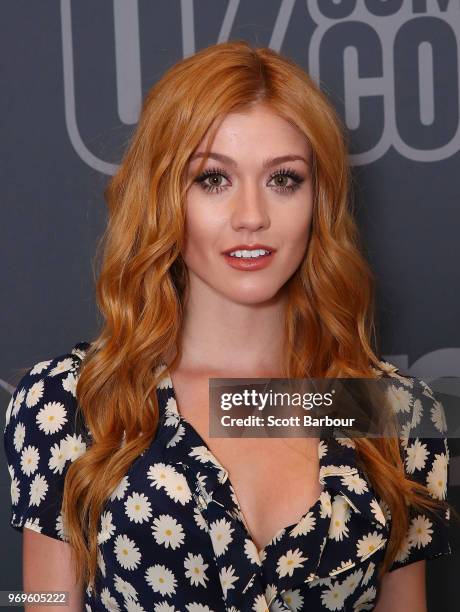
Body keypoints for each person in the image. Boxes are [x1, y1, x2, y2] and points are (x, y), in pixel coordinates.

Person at [3, 40, 452, 612]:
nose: (251, 217)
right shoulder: (71, 401)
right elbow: (37, 597)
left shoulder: (395, 412)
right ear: (164, 196)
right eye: (213, 179)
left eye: (283, 179)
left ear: (320, 197)